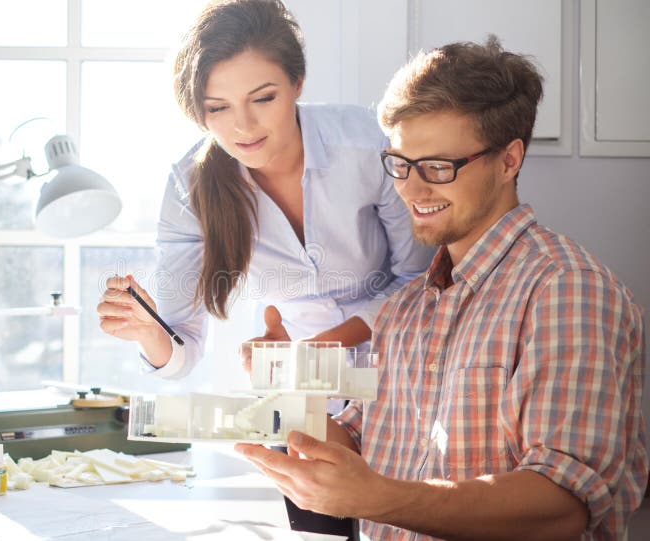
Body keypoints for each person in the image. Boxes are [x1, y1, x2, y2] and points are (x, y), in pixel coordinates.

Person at [236, 36, 648, 541]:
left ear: (509, 160)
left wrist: (375, 498)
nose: (411, 189)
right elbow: (362, 443)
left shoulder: (567, 292)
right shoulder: (404, 309)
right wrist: (282, 388)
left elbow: (561, 504)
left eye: (438, 167)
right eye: (401, 164)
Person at [97, 0, 431, 383]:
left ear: (297, 82)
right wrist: (148, 331)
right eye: (218, 108)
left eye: (263, 98)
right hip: (298, 391)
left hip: (404, 373)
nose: (244, 126)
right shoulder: (188, 187)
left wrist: (320, 348)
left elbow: (420, 278)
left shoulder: (369, 146)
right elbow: (180, 354)